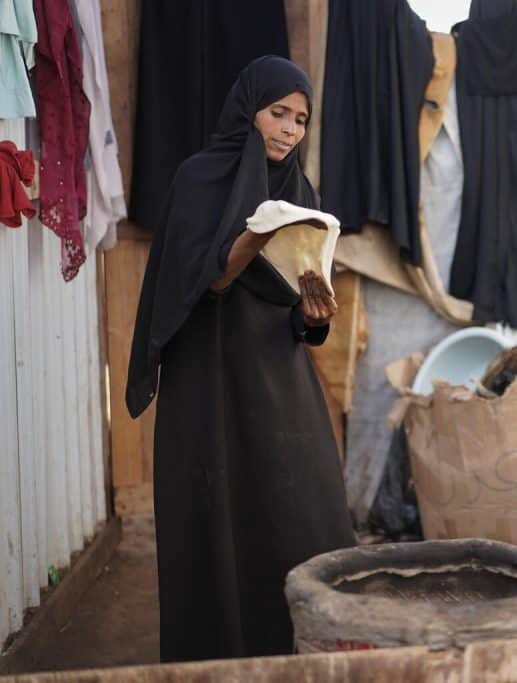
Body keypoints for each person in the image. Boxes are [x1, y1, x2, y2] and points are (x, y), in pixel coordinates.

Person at [125, 56, 356, 662]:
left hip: (278, 383)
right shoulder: (199, 179)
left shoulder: (299, 193)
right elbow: (197, 284)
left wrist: (314, 319)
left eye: (301, 120)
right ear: (248, 108)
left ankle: (303, 653)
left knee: (305, 510)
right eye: (278, 112)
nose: (288, 130)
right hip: (210, 382)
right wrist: (252, 234)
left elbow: (297, 305)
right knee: (220, 517)